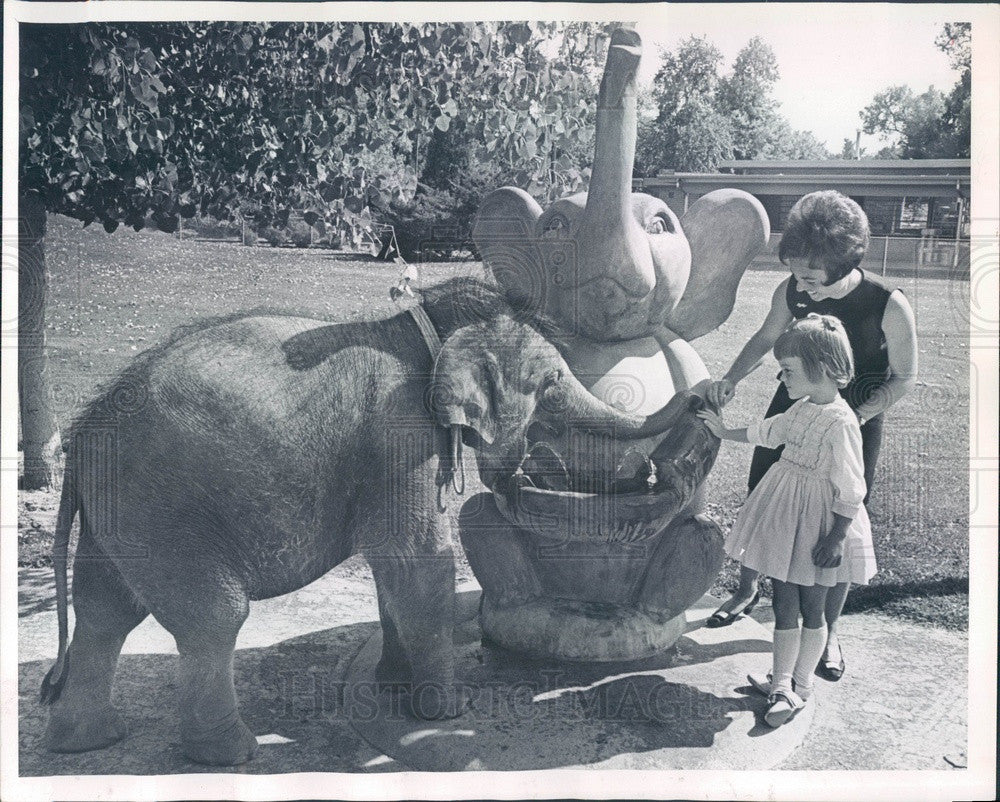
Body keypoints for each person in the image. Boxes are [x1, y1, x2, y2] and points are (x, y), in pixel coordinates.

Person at [703, 190, 917, 684]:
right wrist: (732, 378)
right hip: (792, 412)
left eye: (810, 276)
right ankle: (747, 590)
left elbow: (904, 377)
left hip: (853, 421)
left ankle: (829, 630)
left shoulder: (887, 302)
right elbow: (764, 338)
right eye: (796, 272)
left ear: (844, 263)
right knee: (766, 499)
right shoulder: (793, 289)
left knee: (835, 524)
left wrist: (855, 417)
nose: (800, 285)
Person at [697, 314, 876, 727]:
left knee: (812, 608)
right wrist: (723, 431)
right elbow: (767, 433)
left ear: (824, 369)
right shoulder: (801, 408)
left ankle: (801, 687)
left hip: (818, 524)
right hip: (785, 515)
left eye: (789, 369)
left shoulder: (842, 421)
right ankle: (780, 683)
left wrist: (836, 537)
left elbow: (853, 487)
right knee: (784, 604)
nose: (782, 376)